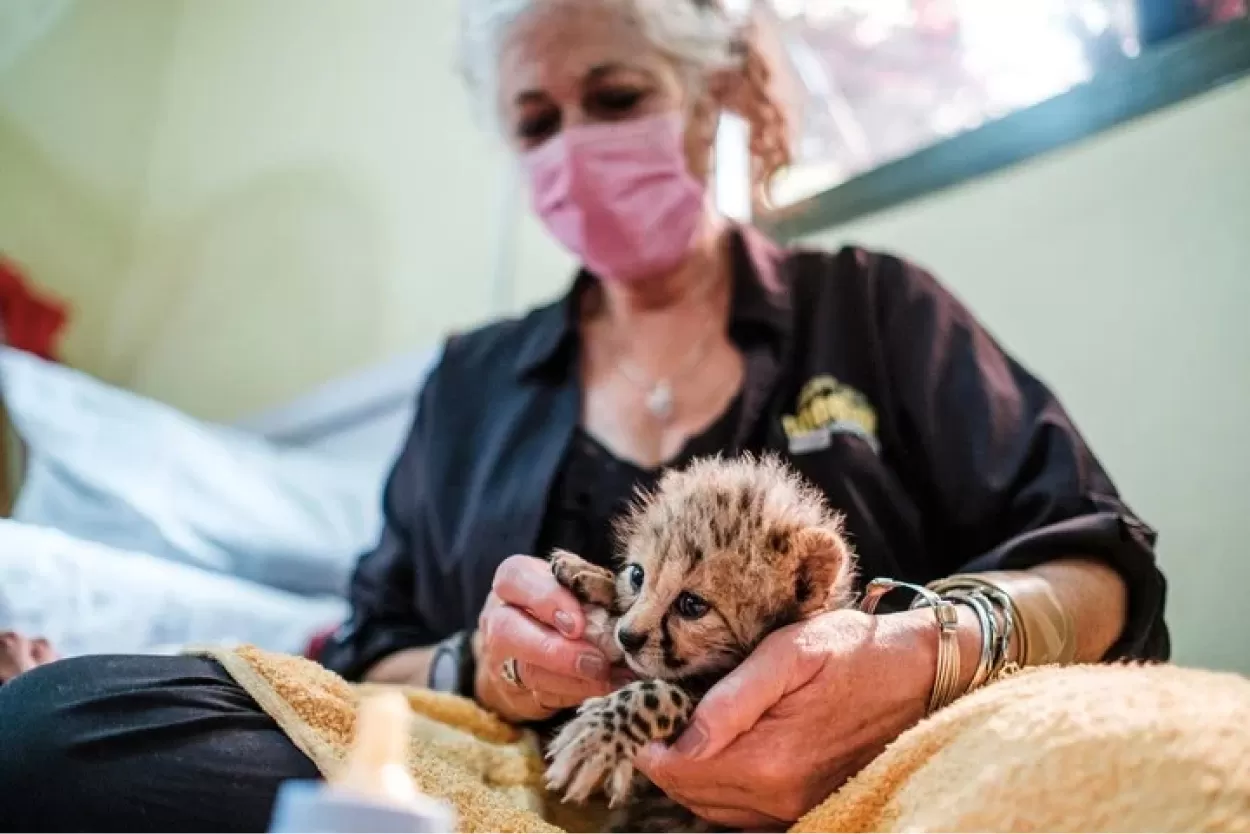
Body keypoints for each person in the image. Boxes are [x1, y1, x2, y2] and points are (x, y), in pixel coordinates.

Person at [0, 0, 1168, 830]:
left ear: (707, 91)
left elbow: (1092, 559)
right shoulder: (471, 386)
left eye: (613, 98)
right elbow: (370, 650)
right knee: (51, 735)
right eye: (535, 122)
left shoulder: (874, 310)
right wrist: (486, 666)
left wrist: (925, 648)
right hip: (506, 789)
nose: (574, 150)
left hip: (862, 792)